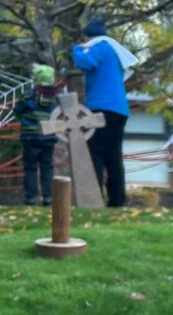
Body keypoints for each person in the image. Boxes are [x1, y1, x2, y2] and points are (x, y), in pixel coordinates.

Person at [71, 16, 135, 207]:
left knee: (95, 152)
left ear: (89, 36)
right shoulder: (113, 51)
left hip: (101, 108)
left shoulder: (101, 47)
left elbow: (85, 62)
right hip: (119, 109)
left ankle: (93, 198)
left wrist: (77, 49)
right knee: (113, 156)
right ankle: (117, 200)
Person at [15, 63, 62, 207]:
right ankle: (48, 197)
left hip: (30, 137)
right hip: (48, 136)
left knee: (30, 168)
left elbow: (17, 110)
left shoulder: (28, 95)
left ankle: (31, 197)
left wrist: (23, 119)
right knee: (47, 167)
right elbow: (57, 114)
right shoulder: (54, 97)